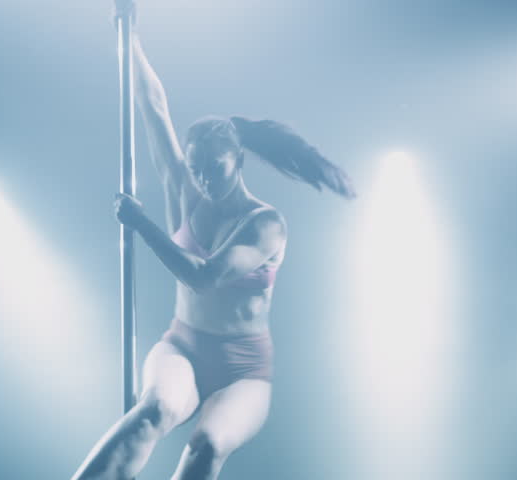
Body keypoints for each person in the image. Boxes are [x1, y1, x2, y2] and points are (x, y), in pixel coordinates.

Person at [71, 3, 355, 479]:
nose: (202, 178)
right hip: (183, 348)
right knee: (154, 410)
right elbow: (152, 105)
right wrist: (130, 36)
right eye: (196, 166)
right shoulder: (185, 189)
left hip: (244, 372)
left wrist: (142, 225)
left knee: (205, 445)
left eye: (213, 167)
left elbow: (204, 277)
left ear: (237, 159)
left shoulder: (265, 224)